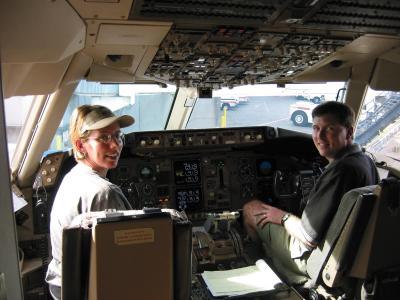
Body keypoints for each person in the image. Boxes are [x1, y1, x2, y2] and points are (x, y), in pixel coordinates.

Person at [243, 101, 379, 284]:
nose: (319, 136)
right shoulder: (365, 161)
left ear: (349, 132)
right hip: (349, 255)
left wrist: (281, 216)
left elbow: (308, 238)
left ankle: (259, 266)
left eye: (329, 128)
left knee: (251, 209)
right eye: (316, 128)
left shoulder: (340, 171)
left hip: (312, 257)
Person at [46, 105, 135, 300]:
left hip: (66, 286)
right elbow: (126, 262)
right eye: (103, 138)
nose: (115, 145)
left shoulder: (72, 178)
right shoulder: (104, 193)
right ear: (80, 146)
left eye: (118, 136)